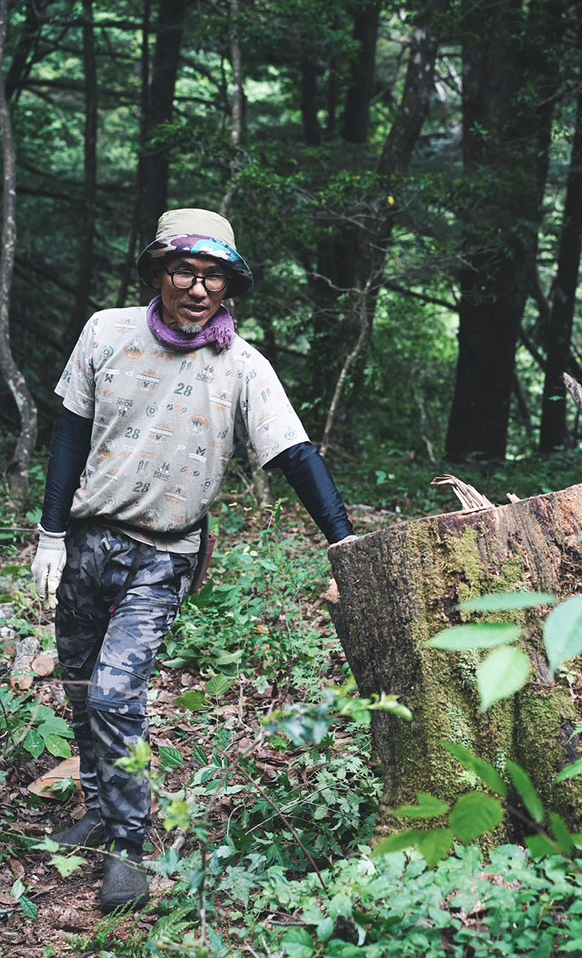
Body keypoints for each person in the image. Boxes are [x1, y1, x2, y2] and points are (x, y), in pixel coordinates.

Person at [31, 208, 356, 913]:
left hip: (165, 550)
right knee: (83, 686)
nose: (199, 288)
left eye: (214, 276)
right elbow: (69, 435)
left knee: (118, 692)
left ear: (229, 286)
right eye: (184, 269)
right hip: (88, 540)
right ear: (157, 273)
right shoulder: (105, 332)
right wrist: (50, 534)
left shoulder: (241, 365)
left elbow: (295, 455)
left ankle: (128, 843)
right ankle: (96, 805)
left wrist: (343, 540)